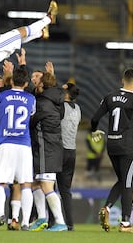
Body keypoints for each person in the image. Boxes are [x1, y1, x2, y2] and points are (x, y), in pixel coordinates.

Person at [90, 68, 133, 233]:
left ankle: (106, 207)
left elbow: (94, 119)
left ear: (123, 80)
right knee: (129, 183)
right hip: (127, 147)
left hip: (112, 145)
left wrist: (94, 131)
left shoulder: (109, 97)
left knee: (122, 180)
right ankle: (126, 224)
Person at [0, 68, 35, 231]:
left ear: (11, 81)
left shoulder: (1, 96)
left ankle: (0, 215)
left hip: (5, 143)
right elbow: (31, 116)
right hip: (24, 144)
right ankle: (25, 222)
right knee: (25, 183)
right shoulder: (31, 99)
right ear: (26, 84)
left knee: (0, 182)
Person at [29, 71, 68, 231]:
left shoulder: (42, 103)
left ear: (43, 86)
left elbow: (31, 122)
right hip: (47, 146)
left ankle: (60, 222)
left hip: (47, 147)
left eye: (38, 83)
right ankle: (41, 218)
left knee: (46, 185)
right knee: (35, 183)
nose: (35, 84)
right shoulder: (56, 101)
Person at [56, 82, 81, 231]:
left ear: (66, 93)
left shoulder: (61, 107)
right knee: (66, 190)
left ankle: (52, 222)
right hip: (72, 151)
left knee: (49, 187)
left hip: (60, 150)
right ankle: (70, 224)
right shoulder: (78, 109)